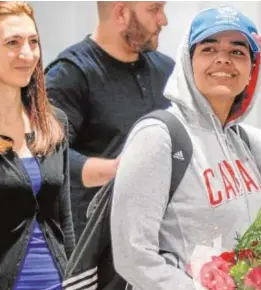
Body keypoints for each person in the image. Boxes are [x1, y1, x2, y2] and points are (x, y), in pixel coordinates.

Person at [110, 5, 261, 290]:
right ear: (188, 62)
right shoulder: (158, 136)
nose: (223, 59)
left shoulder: (243, 141)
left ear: (251, 70)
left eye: (237, 52)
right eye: (209, 48)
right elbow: (132, 254)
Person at [0, 2, 75, 290]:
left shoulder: (54, 124)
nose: (28, 54)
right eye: (12, 43)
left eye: (33, 42)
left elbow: (65, 220)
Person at [45, 1, 174, 240]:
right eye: (154, 9)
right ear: (121, 13)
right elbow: (47, 155)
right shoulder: (70, 74)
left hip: (159, 237)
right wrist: (116, 170)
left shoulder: (167, 71)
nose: (163, 20)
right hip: (96, 243)